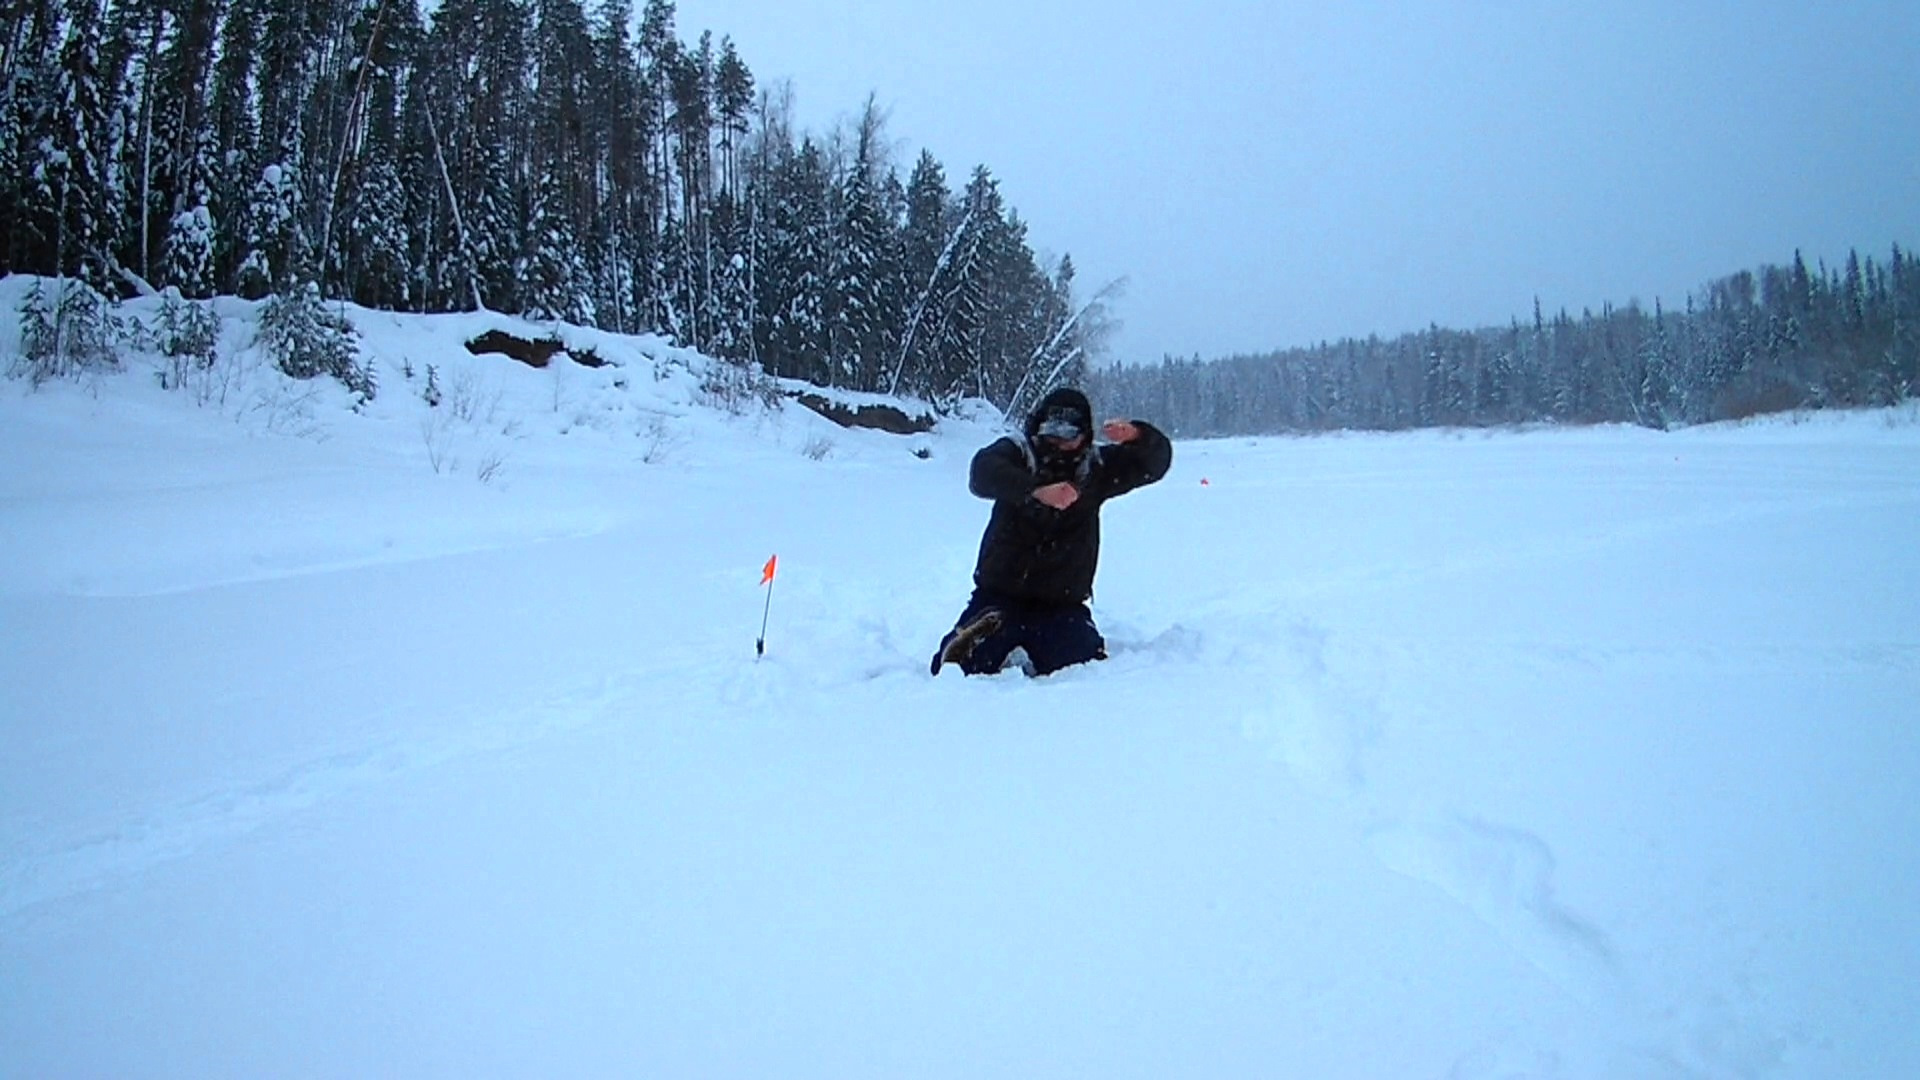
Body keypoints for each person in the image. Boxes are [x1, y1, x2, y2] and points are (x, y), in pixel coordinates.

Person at [931, 386, 1173, 676]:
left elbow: (1155, 463)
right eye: (1052, 431)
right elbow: (982, 472)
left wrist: (1137, 436)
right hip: (999, 594)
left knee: (1078, 659)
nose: (1058, 441)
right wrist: (1034, 491)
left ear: (1084, 435)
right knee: (965, 665)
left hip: (1062, 602)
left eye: (1068, 434)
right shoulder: (1019, 452)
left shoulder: (1096, 468)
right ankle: (980, 637)